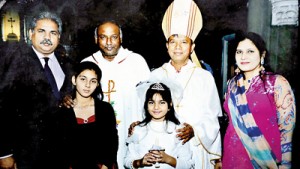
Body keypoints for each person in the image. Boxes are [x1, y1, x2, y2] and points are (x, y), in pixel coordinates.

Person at [130, 0, 222, 168]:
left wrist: (195, 131)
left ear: (192, 46)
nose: (178, 47)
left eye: (184, 42)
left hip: (195, 146)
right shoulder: (155, 75)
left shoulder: (204, 77)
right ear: (167, 45)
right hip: (161, 146)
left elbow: (212, 119)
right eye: (173, 41)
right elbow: (145, 110)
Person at [63, 20, 150, 168]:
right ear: (96, 39)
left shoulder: (136, 61)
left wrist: (144, 121)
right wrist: (68, 97)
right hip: (99, 136)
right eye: (103, 37)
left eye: (114, 37)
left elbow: (150, 97)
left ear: (121, 38)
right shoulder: (88, 62)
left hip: (132, 127)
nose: (109, 42)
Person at [0, 11, 74, 169]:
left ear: (59, 37)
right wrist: (4, 153)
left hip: (61, 153)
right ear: (30, 33)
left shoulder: (66, 63)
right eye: (42, 31)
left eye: (53, 33)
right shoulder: (15, 62)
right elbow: (3, 108)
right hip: (26, 154)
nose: (47, 37)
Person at [222, 31, 296, 169]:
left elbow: (287, 129)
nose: (243, 56)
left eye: (250, 51)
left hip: (265, 161)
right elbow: (231, 125)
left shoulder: (276, 83)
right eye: (239, 52)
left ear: (262, 55)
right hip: (231, 158)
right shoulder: (232, 85)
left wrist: (286, 165)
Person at [58, 62, 118, 169]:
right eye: (83, 79)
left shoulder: (105, 109)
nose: (87, 85)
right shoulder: (64, 111)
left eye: (93, 81)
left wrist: (105, 165)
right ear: (74, 80)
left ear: (98, 84)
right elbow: (59, 150)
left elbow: (112, 142)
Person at [124, 82, 194, 169]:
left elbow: (188, 164)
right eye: (151, 102)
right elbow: (127, 160)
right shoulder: (138, 129)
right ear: (146, 105)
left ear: (170, 105)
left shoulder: (179, 131)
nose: (156, 107)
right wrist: (140, 162)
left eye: (162, 102)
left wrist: (168, 159)